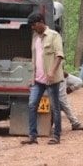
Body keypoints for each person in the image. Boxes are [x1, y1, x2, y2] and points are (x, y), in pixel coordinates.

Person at [23, 12, 64, 145]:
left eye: (34, 25)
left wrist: (52, 72)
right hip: (37, 80)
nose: (33, 28)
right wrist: (32, 77)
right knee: (32, 105)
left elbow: (59, 55)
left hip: (51, 79)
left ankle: (56, 135)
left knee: (54, 107)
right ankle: (32, 136)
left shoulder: (54, 36)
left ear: (41, 22)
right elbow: (35, 59)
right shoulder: (35, 38)